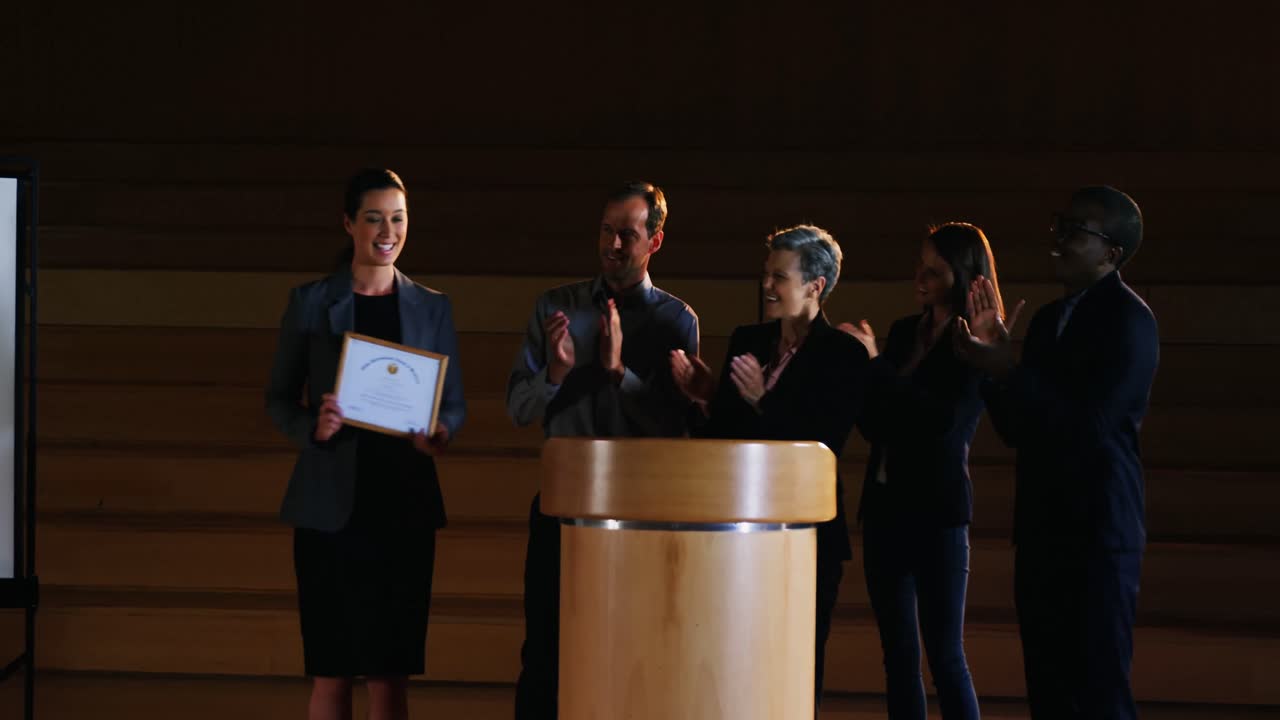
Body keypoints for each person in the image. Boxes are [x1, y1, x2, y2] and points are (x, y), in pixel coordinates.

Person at [265, 168, 466, 720]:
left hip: (403, 507)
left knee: (390, 679)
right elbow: (279, 398)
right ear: (349, 223)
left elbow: (452, 404)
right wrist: (315, 427)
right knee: (331, 676)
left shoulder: (433, 305)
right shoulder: (309, 303)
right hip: (329, 509)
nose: (387, 230)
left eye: (398, 218)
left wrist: (441, 432)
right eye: (374, 217)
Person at [953, 186, 1158, 719]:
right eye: (1060, 225)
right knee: (1047, 687)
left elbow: (1092, 426)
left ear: (1111, 253)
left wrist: (1008, 371)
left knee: (1098, 688)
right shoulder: (1047, 321)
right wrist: (992, 372)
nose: (1059, 240)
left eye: (1075, 231)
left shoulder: (1131, 321)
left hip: (1098, 531)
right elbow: (1019, 428)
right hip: (1044, 528)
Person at [507, 181, 699, 719]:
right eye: (607, 231)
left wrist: (620, 375)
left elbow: (674, 429)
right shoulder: (555, 306)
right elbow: (518, 408)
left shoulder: (675, 322)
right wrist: (557, 373)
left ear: (655, 241)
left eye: (629, 235)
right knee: (544, 656)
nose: (614, 245)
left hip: (638, 517)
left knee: (630, 657)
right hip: (560, 509)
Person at [671, 224, 868, 715]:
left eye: (779, 277)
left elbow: (823, 444)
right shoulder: (748, 339)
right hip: (739, 536)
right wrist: (705, 398)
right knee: (736, 664)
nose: (767, 287)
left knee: (798, 667)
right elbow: (725, 441)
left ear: (815, 286)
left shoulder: (844, 355)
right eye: (766, 275)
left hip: (807, 541)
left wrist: (763, 399)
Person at [842, 223, 1008, 719]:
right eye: (921, 265)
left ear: (963, 276)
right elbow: (877, 423)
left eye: (934, 271)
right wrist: (871, 373)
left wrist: (876, 368)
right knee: (899, 657)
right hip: (886, 509)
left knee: (945, 656)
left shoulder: (973, 343)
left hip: (936, 513)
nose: (921, 277)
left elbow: (938, 424)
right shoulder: (902, 332)